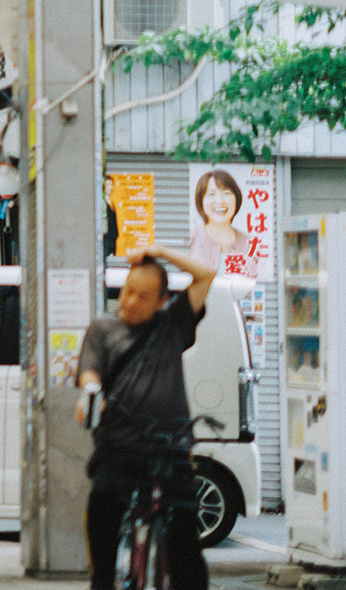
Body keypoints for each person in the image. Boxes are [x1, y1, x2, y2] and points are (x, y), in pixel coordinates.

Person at [76, 244, 215, 590]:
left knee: (186, 542)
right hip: (119, 447)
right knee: (103, 511)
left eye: (143, 296)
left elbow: (206, 275)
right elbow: (89, 371)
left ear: (162, 301)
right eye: (127, 292)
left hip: (171, 448)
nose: (131, 302)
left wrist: (159, 251)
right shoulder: (103, 329)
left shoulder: (174, 325)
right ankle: (103, 582)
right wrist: (91, 393)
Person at [188, 169, 251, 277]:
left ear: (237, 198)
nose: (219, 201)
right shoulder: (191, 237)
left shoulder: (249, 243)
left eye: (226, 193)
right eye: (211, 194)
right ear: (201, 201)